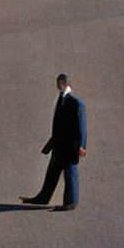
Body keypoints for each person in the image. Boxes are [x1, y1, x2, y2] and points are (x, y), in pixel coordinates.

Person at [21, 73, 87, 210]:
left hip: (70, 146)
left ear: (64, 83)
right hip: (59, 144)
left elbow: (82, 127)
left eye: (58, 82)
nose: (57, 85)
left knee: (70, 173)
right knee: (52, 171)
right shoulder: (61, 98)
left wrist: (82, 145)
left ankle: (70, 202)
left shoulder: (77, 103)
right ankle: (43, 198)